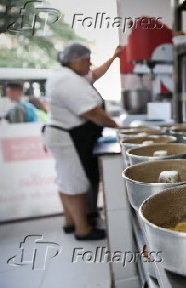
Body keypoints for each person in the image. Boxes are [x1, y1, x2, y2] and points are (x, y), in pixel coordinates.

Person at [43, 41, 120, 241]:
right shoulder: (68, 81)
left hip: (62, 135)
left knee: (65, 180)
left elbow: (94, 75)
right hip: (68, 137)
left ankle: (70, 222)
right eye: (87, 60)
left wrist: (113, 58)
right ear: (75, 60)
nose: (90, 64)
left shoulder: (67, 75)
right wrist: (118, 126)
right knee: (75, 184)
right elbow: (93, 112)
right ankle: (83, 229)